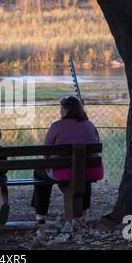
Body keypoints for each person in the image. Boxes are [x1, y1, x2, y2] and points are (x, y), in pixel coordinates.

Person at [31, 96, 104, 224]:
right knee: (82, 168)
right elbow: (95, 146)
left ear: (68, 110)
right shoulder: (90, 125)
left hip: (64, 172)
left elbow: (46, 151)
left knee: (39, 172)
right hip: (92, 170)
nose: (60, 111)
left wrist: (52, 159)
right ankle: (84, 210)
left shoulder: (56, 126)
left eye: (62, 108)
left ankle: (41, 214)